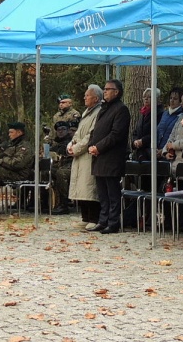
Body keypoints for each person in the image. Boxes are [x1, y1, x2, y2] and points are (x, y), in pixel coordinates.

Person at [88, 79, 130, 234]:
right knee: (102, 192)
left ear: (116, 92)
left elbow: (116, 134)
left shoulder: (121, 110)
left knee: (112, 192)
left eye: (108, 89)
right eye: (104, 89)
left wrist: (98, 147)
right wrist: (91, 145)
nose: (104, 91)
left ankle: (113, 222)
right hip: (99, 157)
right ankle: (102, 220)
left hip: (111, 157)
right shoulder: (104, 108)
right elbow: (96, 130)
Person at [68, 85, 103, 229]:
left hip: (87, 154)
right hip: (79, 155)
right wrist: (71, 143)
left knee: (89, 187)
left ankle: (94, 218)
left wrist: (76, 148)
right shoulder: (86, 112)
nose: (84, 97)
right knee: (80, 187)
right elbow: (79, 133)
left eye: (87, 95)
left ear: (95, 98)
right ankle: (85, 217)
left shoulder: (98, 112)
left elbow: (91, 135)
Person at [50, 121, 75, 214]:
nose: (60, 131)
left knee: (61, 174)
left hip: (70, 167)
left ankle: (64, 204)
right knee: (44, 172)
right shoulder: (54, 143)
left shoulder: (71, 141)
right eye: (58, 130)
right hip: (58, 166)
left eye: (63, 129)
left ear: (68, 130)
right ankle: (43, 202)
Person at [131, 88, 162, 162]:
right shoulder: (143, 113)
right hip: (140, 151)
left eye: (149, 97)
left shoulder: (159, 114)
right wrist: (135, 142)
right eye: (144, 97)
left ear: (157, 99)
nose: (146, 99)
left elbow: (157, 132)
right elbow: (136, 131)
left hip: (151, 152)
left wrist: (143, 141)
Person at [156, 87, 183, 155]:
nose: (172, 100)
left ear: (181, 101)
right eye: (171, 98)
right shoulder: (164, 114)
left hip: (171, 152)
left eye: (175, 99)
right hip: (158, 152)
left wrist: (164, 150)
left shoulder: (182, 116)